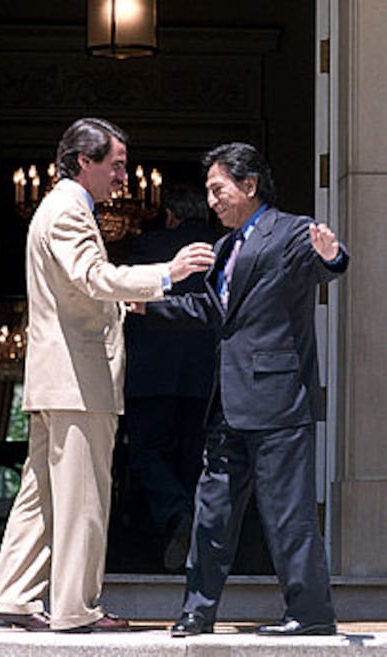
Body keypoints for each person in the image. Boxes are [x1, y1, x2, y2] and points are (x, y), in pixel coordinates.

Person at [0, 118, 214, 633]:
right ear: (84, 162)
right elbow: (91, 277)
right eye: (116, 164)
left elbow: (81, 289)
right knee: (84, 495)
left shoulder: (63, 207)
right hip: (77, 379)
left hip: (61, 378)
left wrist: (122, 302)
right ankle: (75, 609)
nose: (124, 177)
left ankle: (13, 597)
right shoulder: (67, 209)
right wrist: (167, 274)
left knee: (40, 493)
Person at [133, 142, 349, 637]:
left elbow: (327, 265)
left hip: (278, 404)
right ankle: (197, 612)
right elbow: (212, 312)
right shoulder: (226, 248)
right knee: (212, 515)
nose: (212, 201)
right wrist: (150, 307)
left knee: (287, 516)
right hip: (227, 405)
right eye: (209, 191)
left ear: (249, 186)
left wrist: (333, 257)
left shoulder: (292, 231)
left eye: (218, 189)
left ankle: (311, 613)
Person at [124, 184, 216, 572]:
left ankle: (178, 515)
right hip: (205, 377)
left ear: (170, 215)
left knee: (146, 454)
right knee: (197, 461)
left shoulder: (149, 248)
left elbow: (124, 299)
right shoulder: (222, 246)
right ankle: (199, 546)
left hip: (152, 376)